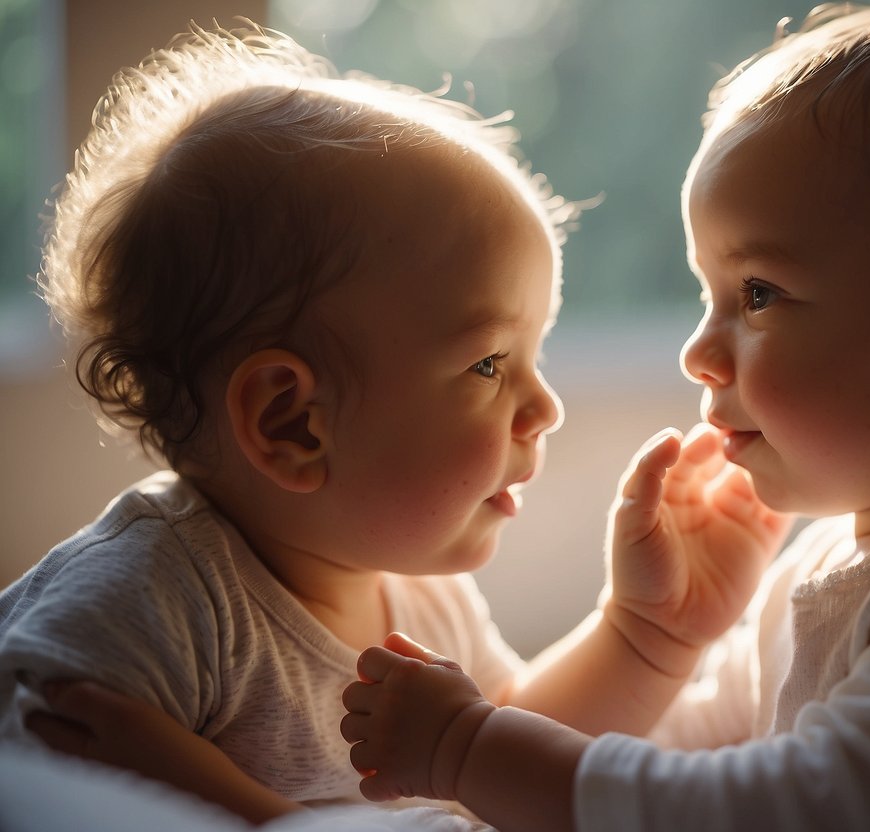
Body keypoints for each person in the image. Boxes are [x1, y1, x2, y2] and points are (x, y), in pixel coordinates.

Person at [336, 3, 870, 830]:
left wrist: (471, 747)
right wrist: (656, 633)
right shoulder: (842, 555)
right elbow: (684, 754)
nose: (697, 352)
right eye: (707, 293)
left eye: (757, 294)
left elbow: (795, 810)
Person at [1, 20, 789, 827]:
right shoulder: (154, 595)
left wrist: (646, 633)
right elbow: (34, 774)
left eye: (534, 355)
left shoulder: (417, 592)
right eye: (489, 364)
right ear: (292, 422)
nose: (544, 407)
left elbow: (497, 750)